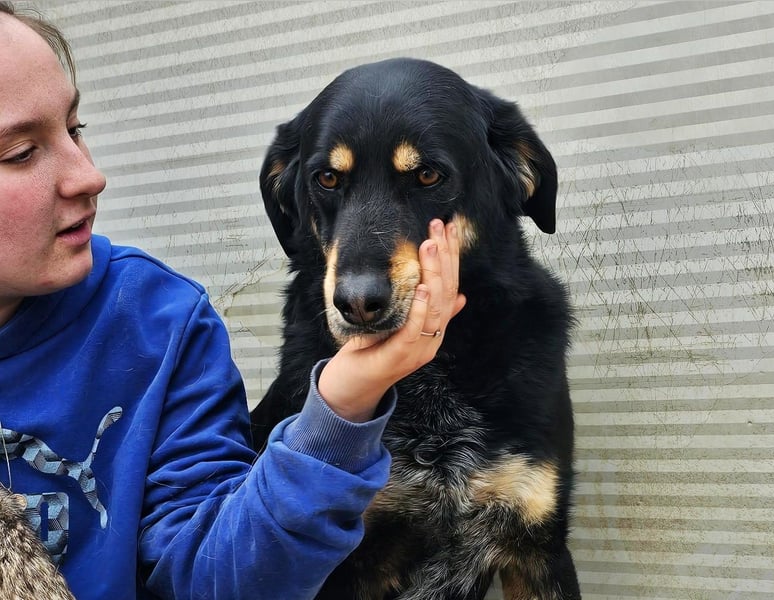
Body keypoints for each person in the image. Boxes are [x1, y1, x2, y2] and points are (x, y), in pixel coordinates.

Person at [0, 3, 466, 598]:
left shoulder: (158, 323)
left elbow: (214, 576)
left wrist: (343, 407)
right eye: (20, 153)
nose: (89, 176)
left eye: (75, 128)